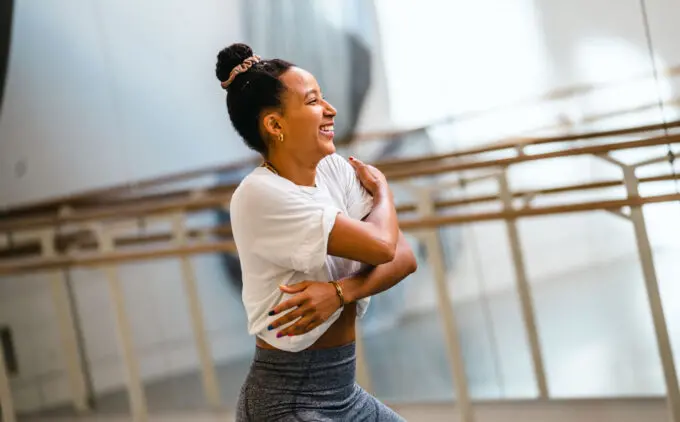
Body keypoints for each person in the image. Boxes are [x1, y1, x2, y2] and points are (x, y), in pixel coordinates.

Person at [216, 43, 417, 421]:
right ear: (275, 125)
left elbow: (404, 258)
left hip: (344, 392)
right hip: (287, 401)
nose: (330, 110)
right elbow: (381, 245)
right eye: (313, 102)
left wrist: (341, 293)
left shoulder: (333, 169)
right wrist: (383, 190)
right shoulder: (259, 195)